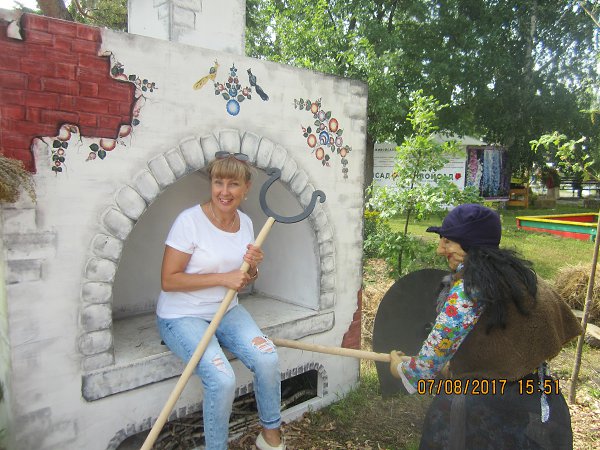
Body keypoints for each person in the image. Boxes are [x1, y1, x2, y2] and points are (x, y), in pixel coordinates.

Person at [389, 203, 583, 449]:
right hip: (529, 398)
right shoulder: (525, 278)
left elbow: (428, 364)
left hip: (484, 405)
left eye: (447, 241)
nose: (440, 249)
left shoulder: (469, 289)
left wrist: (400, 368)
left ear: (469, 243)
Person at [156, 151, 285, 450]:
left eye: (233, 184)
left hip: (226, 309)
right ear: (211, 184)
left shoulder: (246, 223)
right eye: (218, 182)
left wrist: (252, 268)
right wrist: (223, 278)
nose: (224, 192)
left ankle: (271, 437)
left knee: (267, 358)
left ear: (246, 187)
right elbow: (169, 280)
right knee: (222, 379)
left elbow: (243, 278)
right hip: (182, 314)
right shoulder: (189, 222)